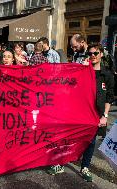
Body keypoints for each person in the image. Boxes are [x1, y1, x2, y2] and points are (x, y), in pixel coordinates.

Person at [48, 43, 114, 182]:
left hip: (97, 114)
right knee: (70, 138)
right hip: (80, 112)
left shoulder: (106, 74)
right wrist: (81, 70)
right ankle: (60, 163)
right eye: (89, 54)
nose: (92, 56)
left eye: (95, 53)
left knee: (90, 142)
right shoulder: (83, 70)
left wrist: (105, 116)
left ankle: (85, 167)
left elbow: (109, 96)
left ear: (101, 54)